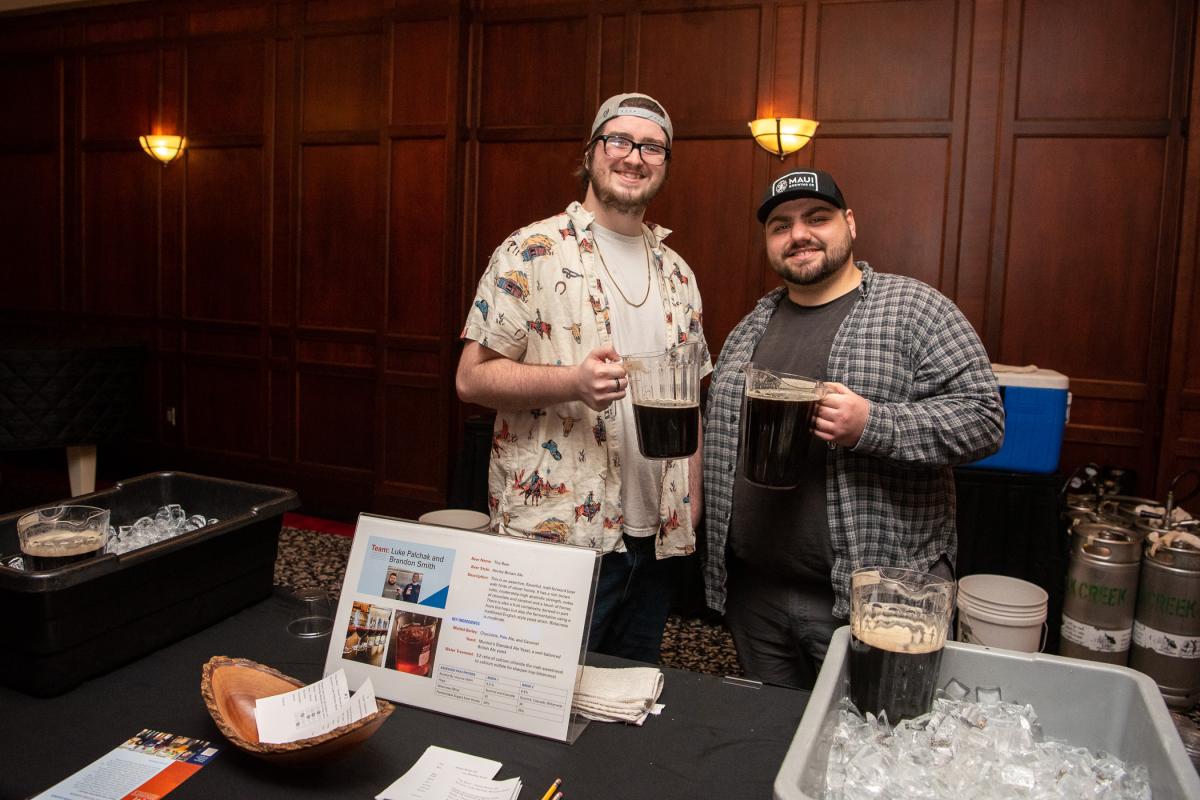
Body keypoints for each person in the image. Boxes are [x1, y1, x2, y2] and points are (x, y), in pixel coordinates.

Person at [703, 169, 1003, 688]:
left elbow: (984, 418)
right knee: (771, 743)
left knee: (876, 744)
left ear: (850, 224)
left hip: (877, 600)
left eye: (817, 218)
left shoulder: (915, 311)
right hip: (756, 597)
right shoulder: (750, 327)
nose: (799, 234)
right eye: (781, 226)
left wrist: (873, 424)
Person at [456, 92, 709, 663]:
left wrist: (690, 500)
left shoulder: (679, 274)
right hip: (559, 536)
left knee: (623, 705)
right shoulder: (532, 251)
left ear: (664, 163)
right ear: (592, 152)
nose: (634, 156)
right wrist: (573, 381)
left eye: (651, 146)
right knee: (530, 696)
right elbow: (471, 379)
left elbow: (691, 395)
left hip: (658, 539)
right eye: (619, 140)